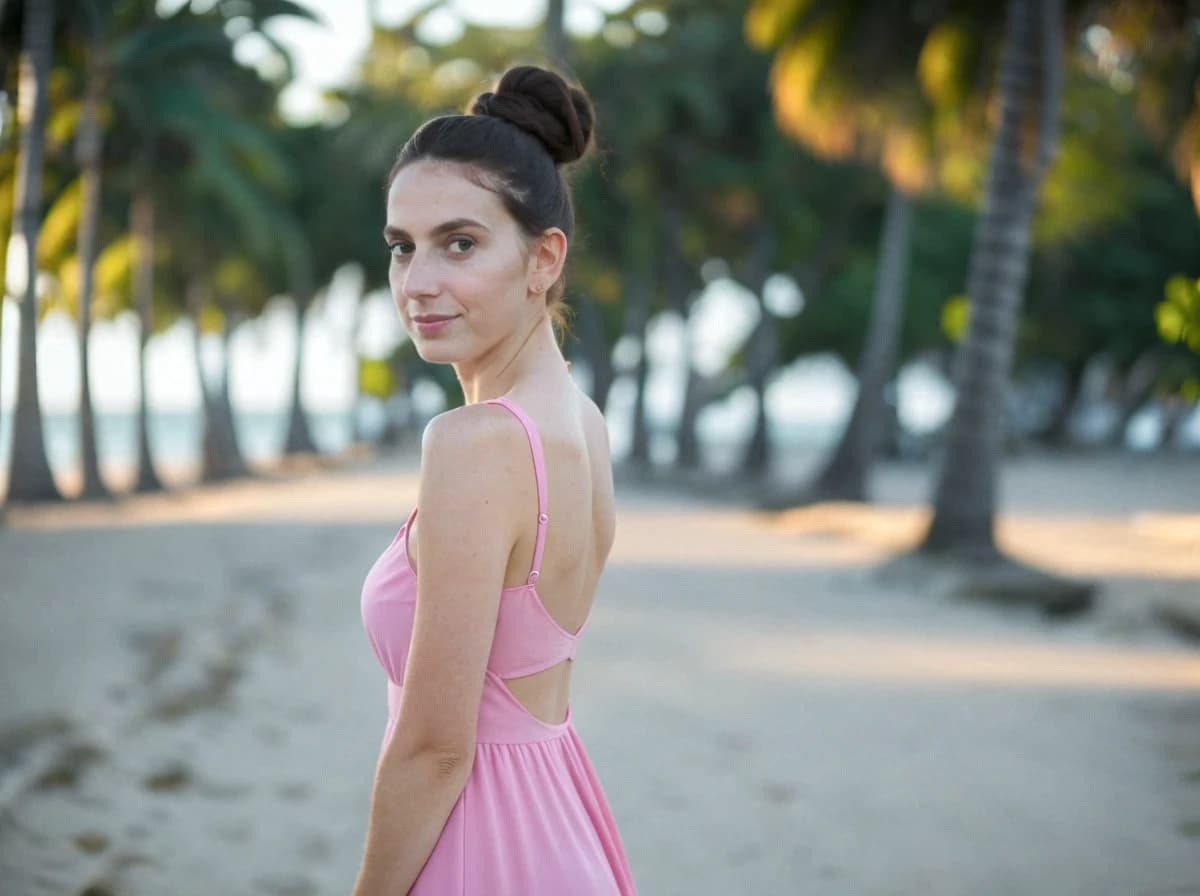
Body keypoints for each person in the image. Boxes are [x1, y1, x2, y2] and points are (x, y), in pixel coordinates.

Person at [354, 65, 638, 895]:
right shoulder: (582, 425)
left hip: (483, 846)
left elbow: (436, 746)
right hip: (561, 832)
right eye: (402, 248)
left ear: (543, 258)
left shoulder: (476, 441)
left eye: (460, 243)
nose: (419, 282)